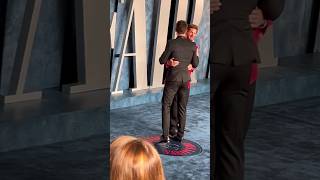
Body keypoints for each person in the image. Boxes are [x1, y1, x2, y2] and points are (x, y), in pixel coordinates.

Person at [210, 0, 285, 179]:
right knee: (232, 145)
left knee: (205, 142)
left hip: (211, 54)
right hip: (242, 59)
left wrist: (264, 20)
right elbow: (274, 8)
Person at [159, 20, 199, 143]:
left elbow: (161, 60)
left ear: (176, 30)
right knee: (182, 108)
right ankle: (179, 135)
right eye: (190, 32)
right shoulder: (192, 46)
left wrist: (168, 62)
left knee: (166, 106)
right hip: (185, 80)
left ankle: (165, 136)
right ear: (186, 30)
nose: (192, 34)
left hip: (173, 79)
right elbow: (196, 63)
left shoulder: (171, 43)